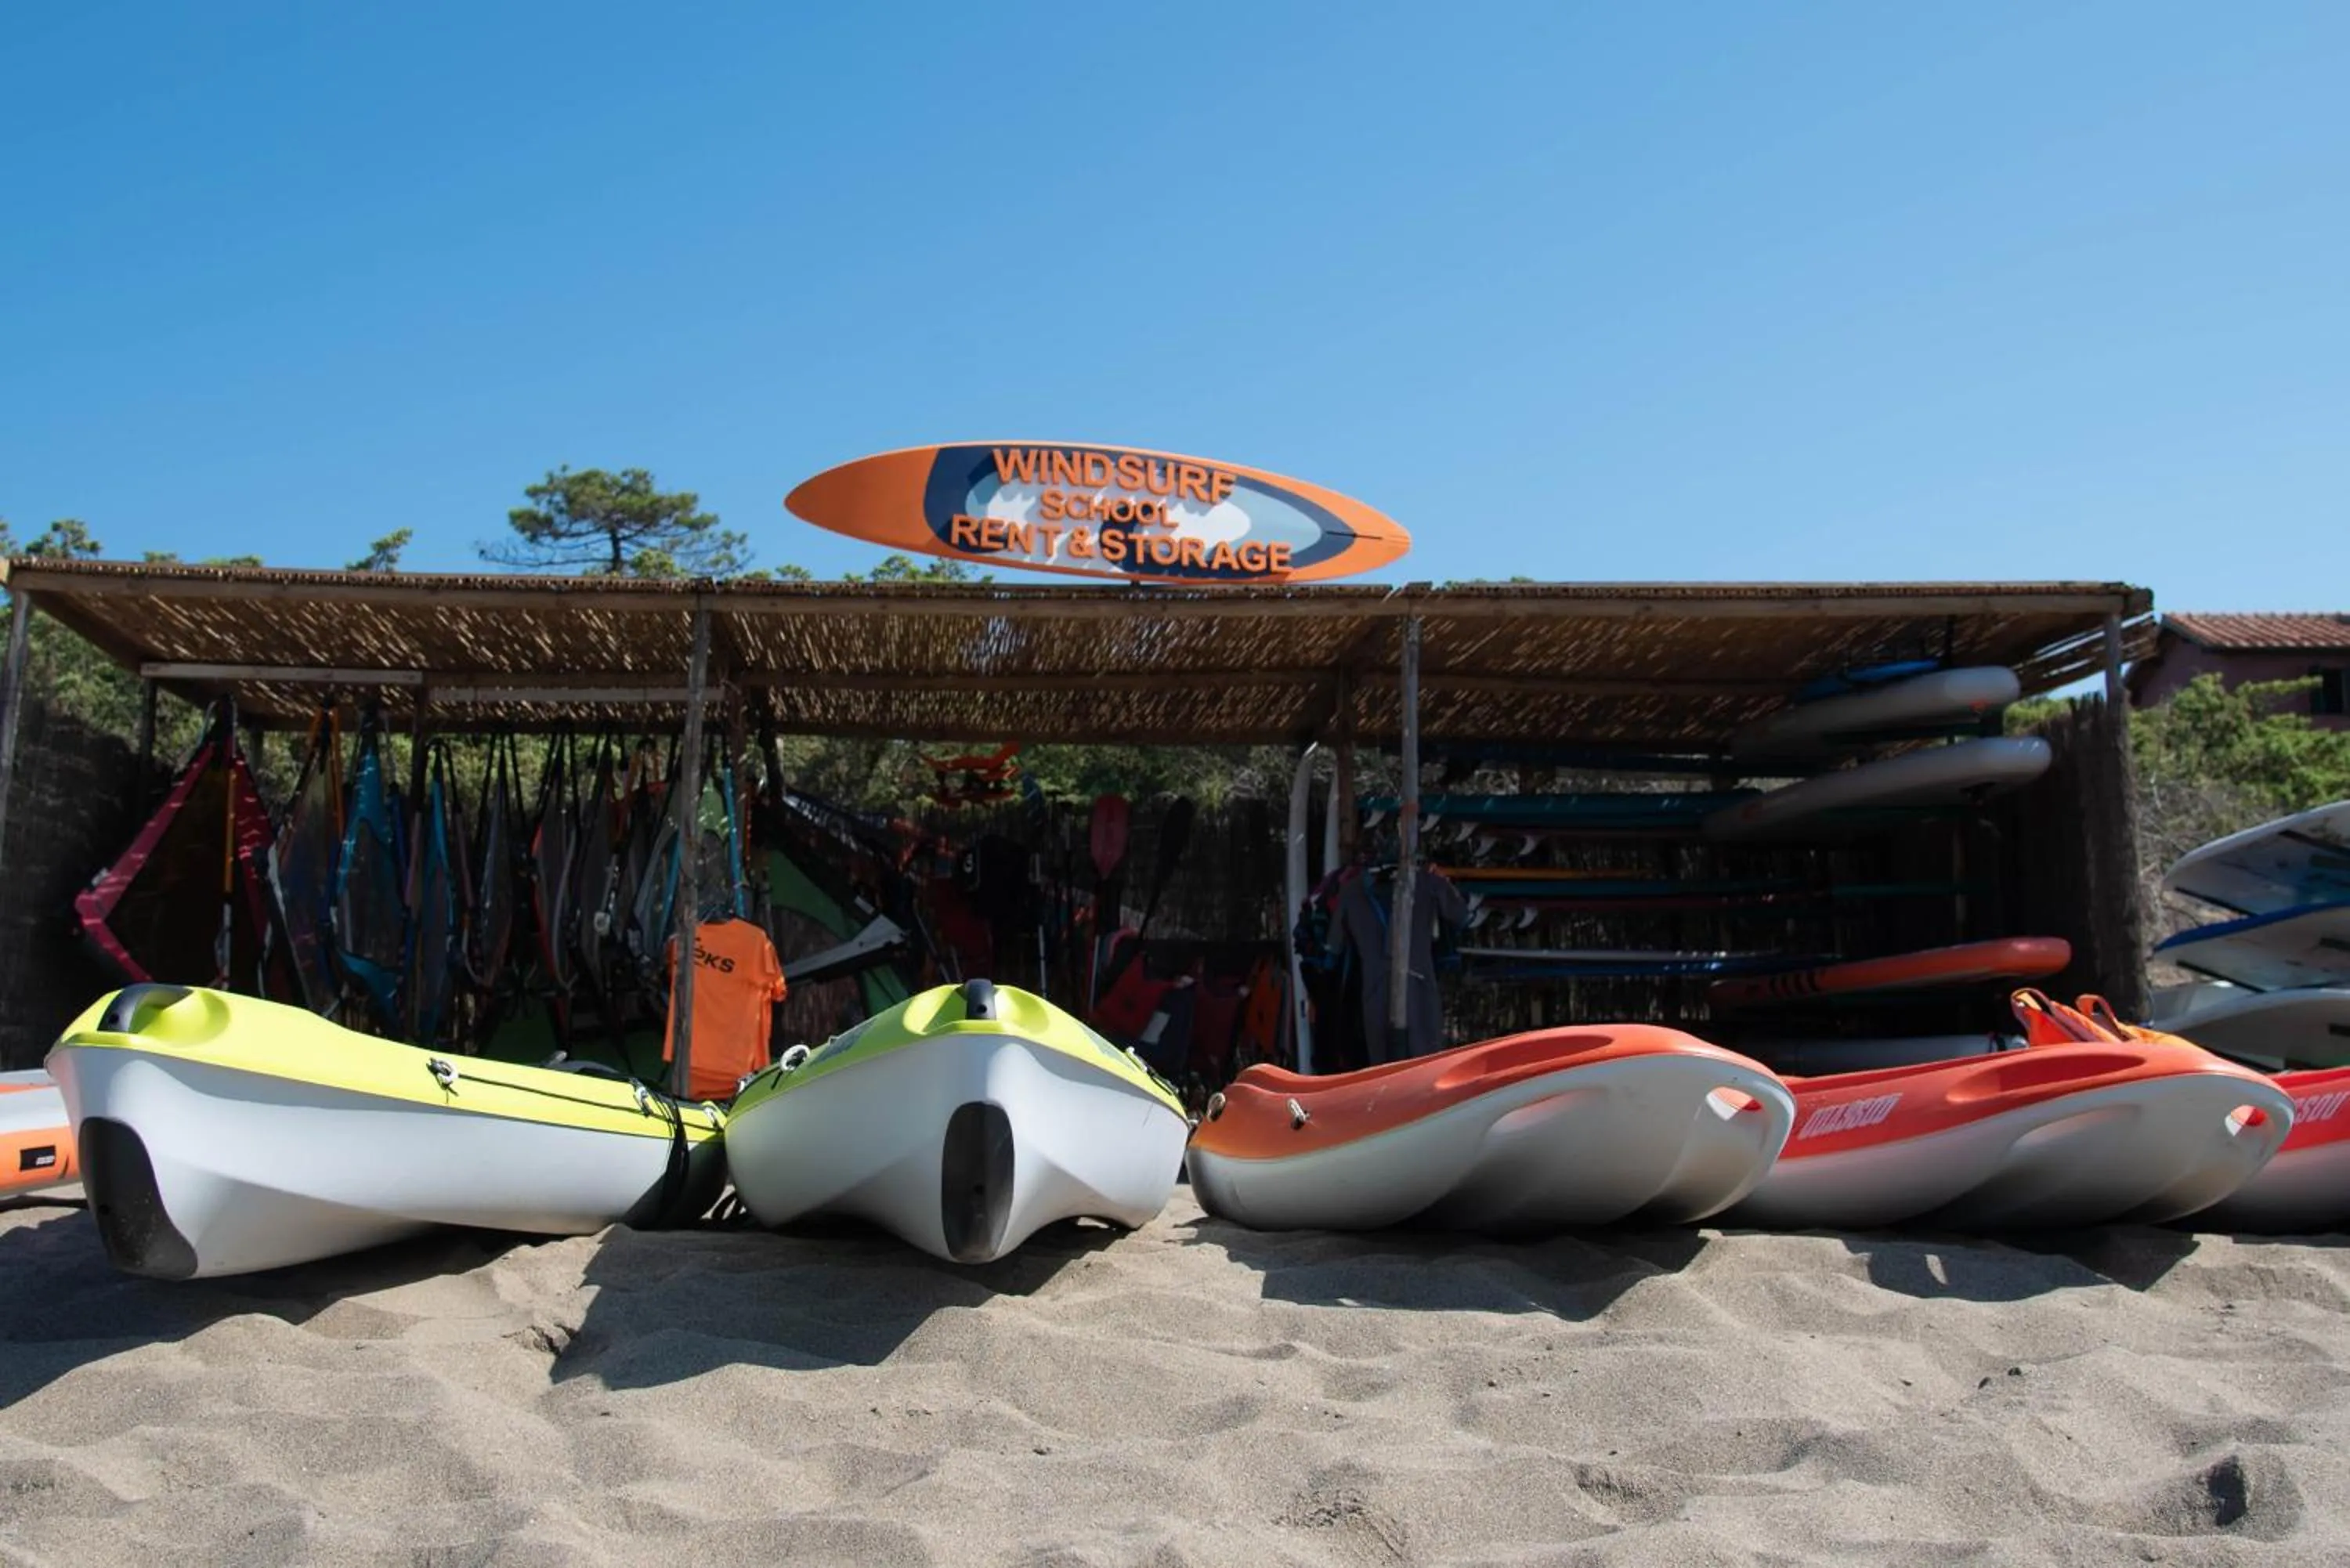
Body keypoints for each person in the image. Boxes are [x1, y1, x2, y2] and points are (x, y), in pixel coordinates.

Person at [662, 914, 786, 1100]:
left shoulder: (684, 940)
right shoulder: (755, 942)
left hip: (690, 1062)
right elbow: (779, 992)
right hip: (736, 1067)